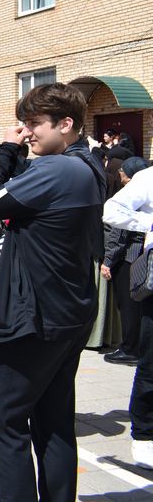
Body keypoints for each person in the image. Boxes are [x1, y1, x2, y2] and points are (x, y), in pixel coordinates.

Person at [0, 84, 104, 502]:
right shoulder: (84, 164)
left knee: (6, 424)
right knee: (52, 422)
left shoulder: (57, 170)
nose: (26, 132)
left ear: (65, 124)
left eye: (34, 124)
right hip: (67, 311)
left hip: (33, 316)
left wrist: (1, 154)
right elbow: (25, 181)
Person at [103, 161, 153, 470]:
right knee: (151, 361)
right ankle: (145, 433)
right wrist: (149, 222)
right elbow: (111, 211)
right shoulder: (148, 178)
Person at [102, 156, 149, 366]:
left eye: (123, 171)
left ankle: (130, 348)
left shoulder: (134, 193)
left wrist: (109, 260)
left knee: (129, 305)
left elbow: (118, 236)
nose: (120, 175)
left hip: (131, 258)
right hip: (142, 255)